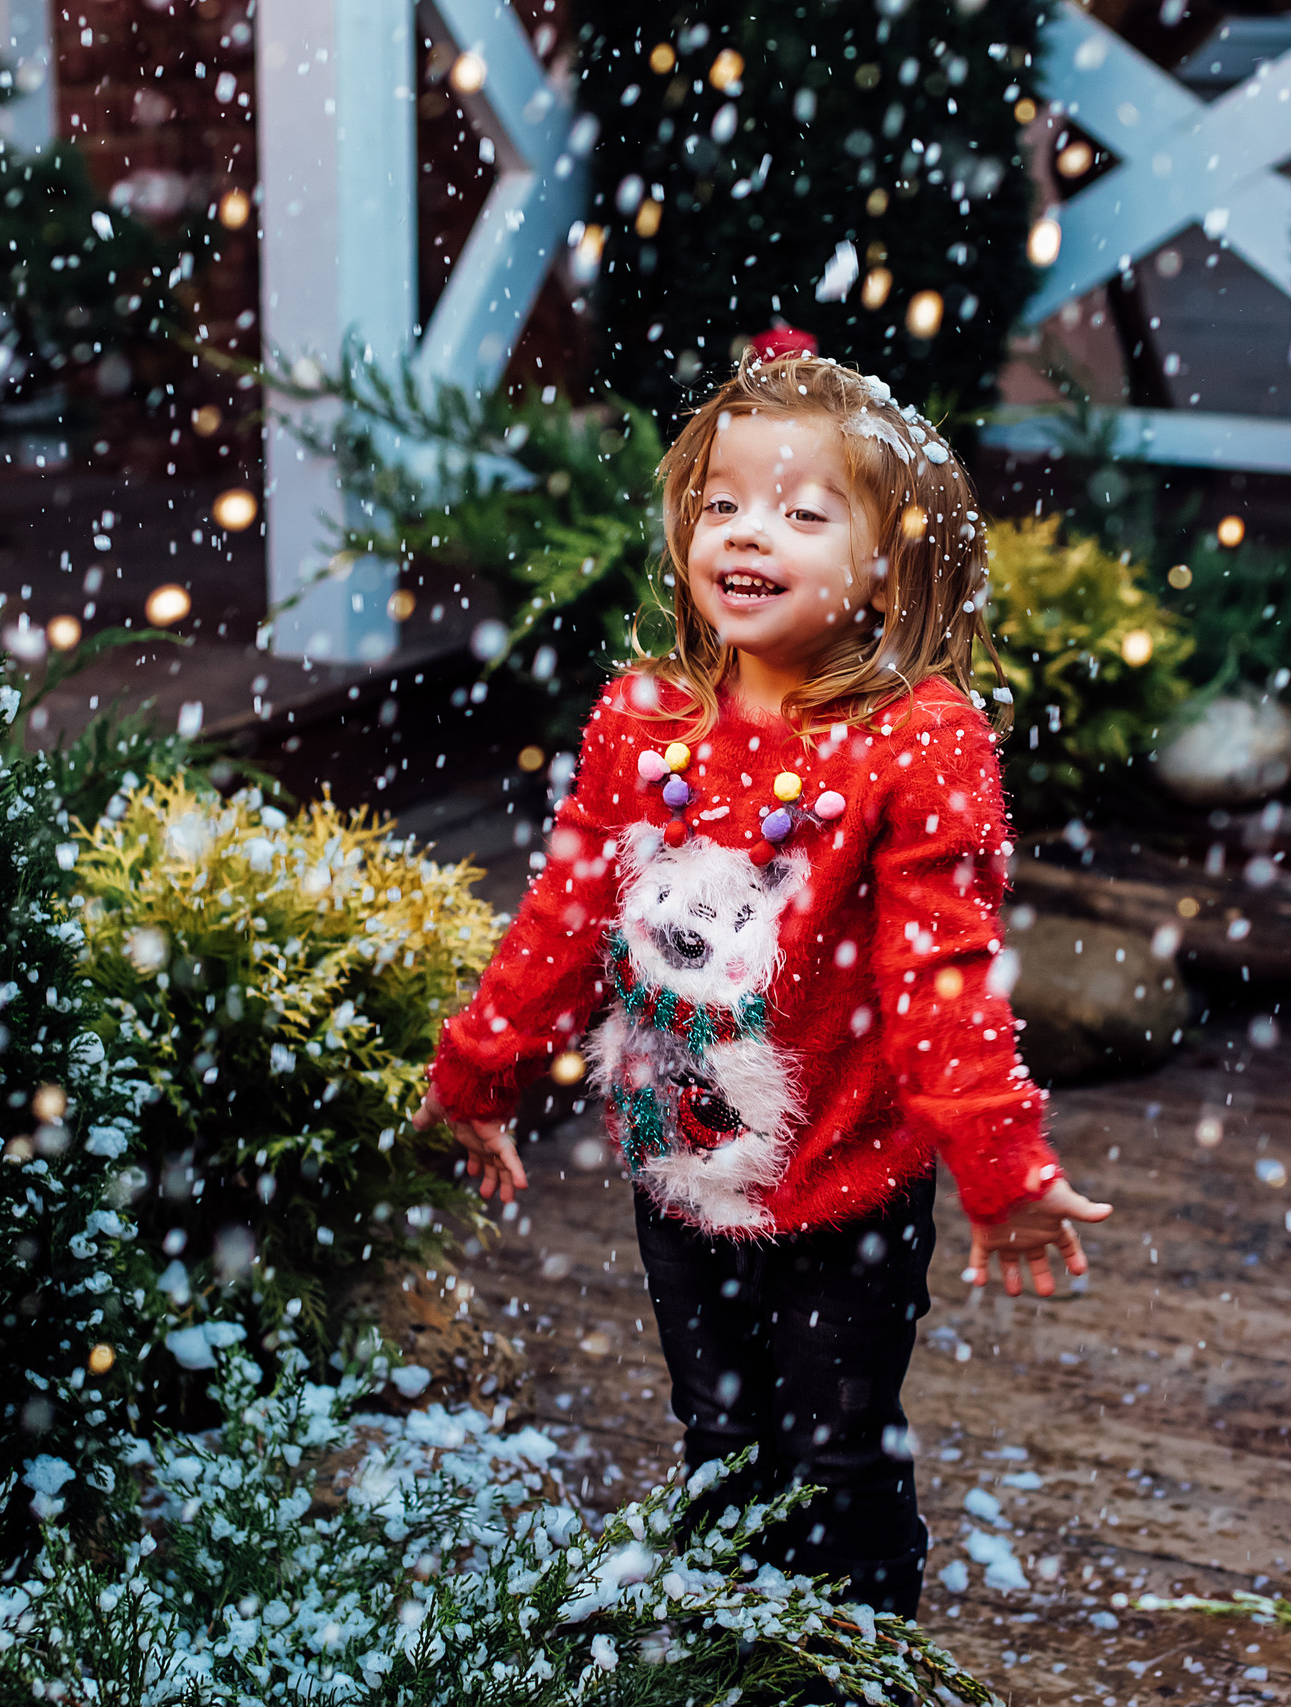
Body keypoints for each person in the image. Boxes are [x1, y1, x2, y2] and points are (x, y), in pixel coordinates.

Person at [413, 338, 1112, 1618]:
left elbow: (942, 973)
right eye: (724, 504)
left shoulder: (917, 740)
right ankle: (727, 1653)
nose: (750, 533)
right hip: (682, 1174)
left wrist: (1003, 1166)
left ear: (889, 562)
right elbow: (570, 917)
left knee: (837, 1460)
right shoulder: (645, 721)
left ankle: (854, 1665)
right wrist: (481, 1068)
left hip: (846, 1179)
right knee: (720, 1449)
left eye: (803, 511)